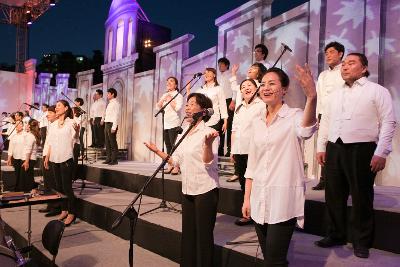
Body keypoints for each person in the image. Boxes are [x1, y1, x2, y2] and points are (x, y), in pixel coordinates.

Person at [315, 53, 396, 258]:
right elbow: (326, 121)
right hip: (335, 147)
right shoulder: (334, 94)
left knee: (361, 196)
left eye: (351, 63)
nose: (345, 67)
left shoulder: (377, 91)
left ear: (364, 68)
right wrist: (321, 146)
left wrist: (382, 152)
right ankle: (335, 234)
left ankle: (362, 241)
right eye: (344, 64)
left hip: (363, 149)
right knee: (333, 195)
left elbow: (388, 122)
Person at [242, 66, 317, 266]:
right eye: (263, 84)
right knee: (272, 259)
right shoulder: (257, 120)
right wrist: (246, 198)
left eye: (272, 83)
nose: (266, 88)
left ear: (284, 89)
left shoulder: (294, 115)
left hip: (283, 200)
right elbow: (252, 164)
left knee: (273, 261)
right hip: (259, 199)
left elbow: (307, 130)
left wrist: (311, 97)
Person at [145, 93, 219, 267]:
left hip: (206, 189)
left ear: (203, 109)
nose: (187, 107)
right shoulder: (184, 133)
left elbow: (209, 163)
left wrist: (208, 145)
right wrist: (157, 151)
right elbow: (175, 161)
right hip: (187, 188)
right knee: (188, 235)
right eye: (187, 104)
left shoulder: (209, 132)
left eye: (192, 104)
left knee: (203, 237)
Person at [231, 79, 266, 226]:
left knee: (255, 182)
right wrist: (232, 150)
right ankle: (248, 211)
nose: (246, 88)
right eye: (243, 86)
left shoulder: (262, 105)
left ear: (257, 88)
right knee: (243, 183)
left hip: (254, 150)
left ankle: (256, 213)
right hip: (239, 149)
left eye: (249, 86)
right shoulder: (239, 108)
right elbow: (234, 130)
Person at [313, 41, 345, 191]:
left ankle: (343, 181)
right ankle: (324, 179)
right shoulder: (323, 75)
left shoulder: (345, 71)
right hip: (324, 115)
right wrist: (317, 116)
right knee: (324, 147)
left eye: (331, 52)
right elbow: (319, 96)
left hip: (341, 115)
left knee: (340, 146)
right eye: (326, 53)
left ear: (340, 54)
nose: (328, 55)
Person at [44, 100, 80, 227]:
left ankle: (72, 213)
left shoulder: (71, 122)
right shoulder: (53, 125)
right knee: (59, 188)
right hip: (54, 158)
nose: (56, 107)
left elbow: (75, 138)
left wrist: (78, 131)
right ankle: (64, 210)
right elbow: (50, 142)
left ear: (65, 108)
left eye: (59, 105)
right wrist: (47, 157)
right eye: (56, 106)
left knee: (67, 188)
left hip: (66, 158)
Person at [156, 77, 184, 175]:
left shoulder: (178, 95)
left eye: (171, 81)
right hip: (166, 124)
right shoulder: (165, 94)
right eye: (167, 81)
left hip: (174, 123)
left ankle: (177, 166)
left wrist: (169, 99)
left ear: (176, 85)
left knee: (174, 146)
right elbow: (158, 107)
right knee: (168, 146)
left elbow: (177, 108)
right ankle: (170, 165)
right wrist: (163, 99)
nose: (168, 83)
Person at [193, 68, 228, 142]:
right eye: (205, 73)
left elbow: (223, 105)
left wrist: (225, 121)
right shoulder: (200, 90)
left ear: (214, 75)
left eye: (209, 72)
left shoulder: (218, 88)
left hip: (214, 119)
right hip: (201, 120)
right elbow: (193, 102)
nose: (206, 74)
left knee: (211, 143)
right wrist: (188, 90)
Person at [39, 105, 61, 217]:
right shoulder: (51, 125)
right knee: (47, 182)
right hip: (46, 154)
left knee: (53, 183)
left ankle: (56, 206)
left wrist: (47, 157)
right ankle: (49, 204)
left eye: (50, 113)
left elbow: (53, 143)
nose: (47, 115)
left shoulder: (57, 125)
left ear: (56, 114)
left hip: (51, 156)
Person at [217, 57, 234, 156]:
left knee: (229, 125)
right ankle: (220, 148)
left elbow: (234, 89)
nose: (220, 66)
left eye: (222, 65)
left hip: (229, 100)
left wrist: (233, 101)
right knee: (220, 125)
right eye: (219, 65)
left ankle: (229, 149)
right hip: (220, 102)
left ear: (227, 65)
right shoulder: (218, 77)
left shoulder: (231, 75)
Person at [21, 119, 41, 192]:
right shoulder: (33, 135)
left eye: (27, 124)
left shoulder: (30, 136)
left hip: (29, 159)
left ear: (29, 125)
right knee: (29, 176)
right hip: (31, 158)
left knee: (27, 177)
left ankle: (29, 192)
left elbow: (28, 150)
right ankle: (31, 190)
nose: (25, 125)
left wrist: (26, 162)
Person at [102, 88, 120, 165]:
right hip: (107, 123)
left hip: (112, 124)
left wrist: (114, 127)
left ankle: (114, 160)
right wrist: (103, 119)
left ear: (112, 94)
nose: (107, 95)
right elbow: (106, 114)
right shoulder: (109, 103)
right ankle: (108, 158)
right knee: (107, 142)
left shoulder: (116, 103)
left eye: (108, 93)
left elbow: (116, 115)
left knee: (112, 142)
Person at [6, 121, 26, 191]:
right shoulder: (13, 136)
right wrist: (9, 159)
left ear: (23, 125)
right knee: (17, 174)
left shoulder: (26, 135)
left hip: (24, 158)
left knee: (23, 175)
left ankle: (23, 189)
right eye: (16, 124)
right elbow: (10, 148)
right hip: (15, 158)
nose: (17, 126)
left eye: (19, 124)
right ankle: (17, 189)